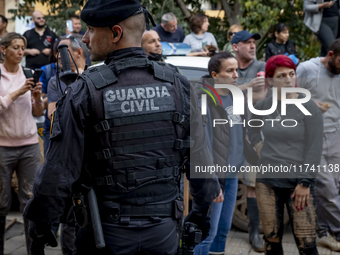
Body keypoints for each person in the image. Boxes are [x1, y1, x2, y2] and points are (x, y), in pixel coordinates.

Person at [23, 1, 220, 255]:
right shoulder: (178, 85)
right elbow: (202, 163)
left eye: (91, 30)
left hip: (104, 237)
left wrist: (41, 225)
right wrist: (199, 217)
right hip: (165, 236)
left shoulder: (84, 91)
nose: (84, 39)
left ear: (116, 33)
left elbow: (57, 172)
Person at [249, 54, 323, 255]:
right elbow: (252, 127)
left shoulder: (308, 107)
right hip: (267, 181)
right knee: (271, 242)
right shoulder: (265, 105)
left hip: (298, 184)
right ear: (271, 80)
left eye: (291, 73)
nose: (289, 79)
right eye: (282, 75)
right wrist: (258, 146)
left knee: (306, 244)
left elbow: (315, 147)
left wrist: (305, 182)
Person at [193, 51, 259, 255]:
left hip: (232, 174)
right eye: (229, 71)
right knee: (207, 234)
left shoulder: (235, 96)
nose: (235, 75)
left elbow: (243, 132)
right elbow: (202, 144)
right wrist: (211, 180)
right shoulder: (204, 100)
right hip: (214, 177)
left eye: (236, 70)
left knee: (222, 231)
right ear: (215, 75)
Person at [0, 32, 44, 255]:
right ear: (3, 49)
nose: (20, 52)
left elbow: (37, 112)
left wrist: (37, 97)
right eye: (15, 47)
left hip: (28, 144)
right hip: (2, 146)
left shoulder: (28, 74)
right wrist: (19, 91)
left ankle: (34, 252)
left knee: (30, 201)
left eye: (22, 48)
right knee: (1, 202)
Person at [296, 38, 340, 251]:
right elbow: (291, 95)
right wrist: (310, 104)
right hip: (313, 136)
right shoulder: (306, 68)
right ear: (331, 55)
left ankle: (324, 232)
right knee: (327, 188)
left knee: (333, 188)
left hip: (336, 135)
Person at [232, 29, 266, 252]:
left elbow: (261, 98)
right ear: (235, 47)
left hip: (253, 134)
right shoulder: (226, 65)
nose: (252, 46)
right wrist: (244, 88)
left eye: (254, 42)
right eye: (247, 43)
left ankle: (255, 232)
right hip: (227, 134)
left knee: (252, 184)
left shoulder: (261, 68)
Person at [40, 38, 59, 156]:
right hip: (50, 127)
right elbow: (40, 101)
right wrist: (53, 96)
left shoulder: (78, 71)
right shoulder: (47, 70)